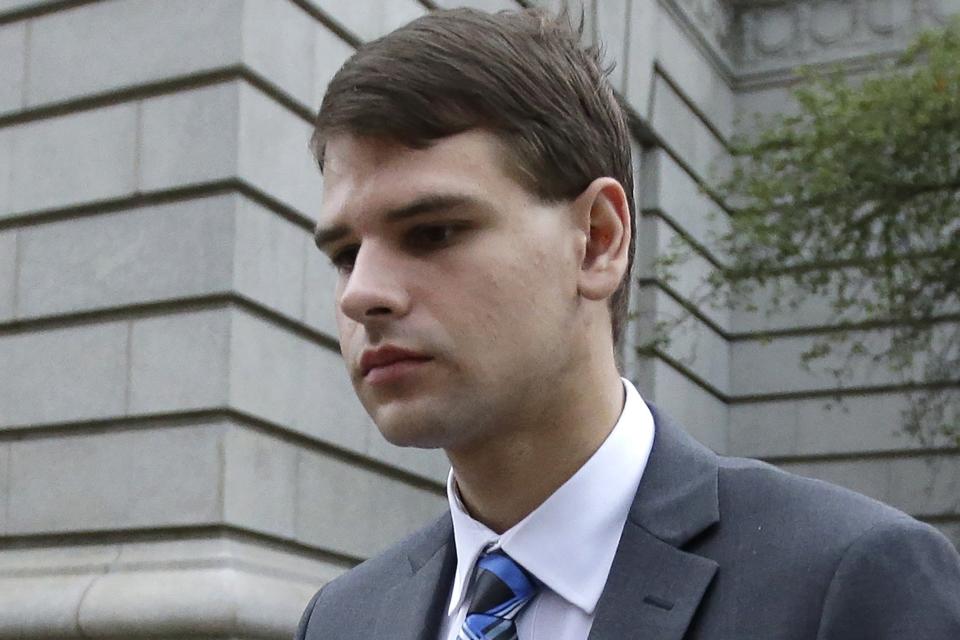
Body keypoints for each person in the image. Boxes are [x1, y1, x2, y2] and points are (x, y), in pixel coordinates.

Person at [295, 7, 960, 640]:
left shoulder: (848, 582)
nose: (363, 294)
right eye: (345, 254)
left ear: (598, 240)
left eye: (432, 232)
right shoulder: (342, 619)